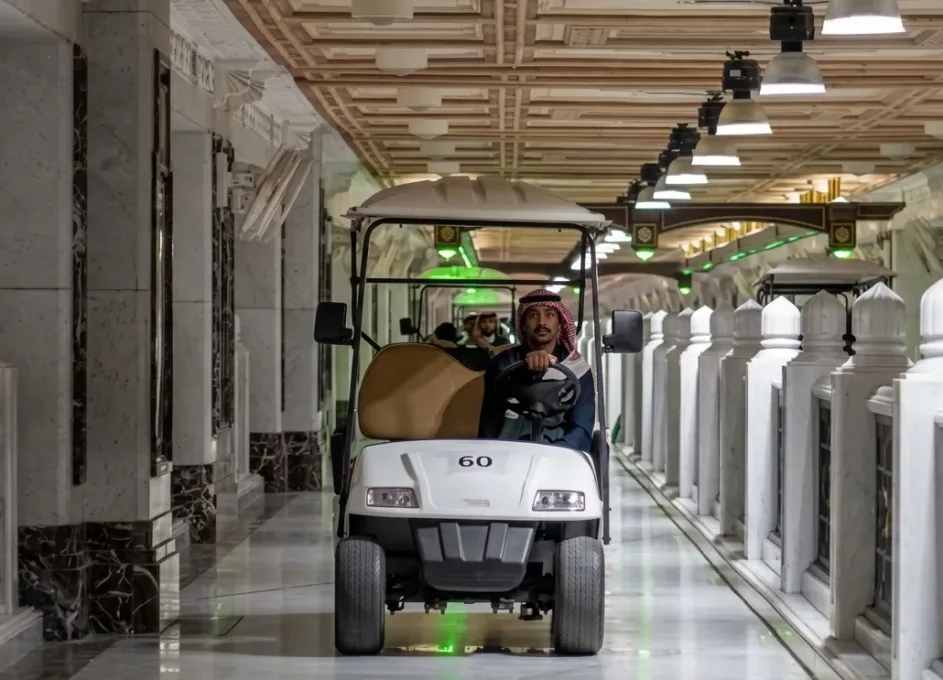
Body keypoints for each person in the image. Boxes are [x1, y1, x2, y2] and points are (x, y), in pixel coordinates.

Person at [478, 289, 594, 451]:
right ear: (523, 325)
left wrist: (558, 451)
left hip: (560, 453)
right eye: (533, 316)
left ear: (560, 322)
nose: (542, 323)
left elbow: (582, 427)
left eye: (549, 315)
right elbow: (490, 421)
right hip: (509, 449)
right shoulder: (503, 363)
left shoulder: (577, 367)